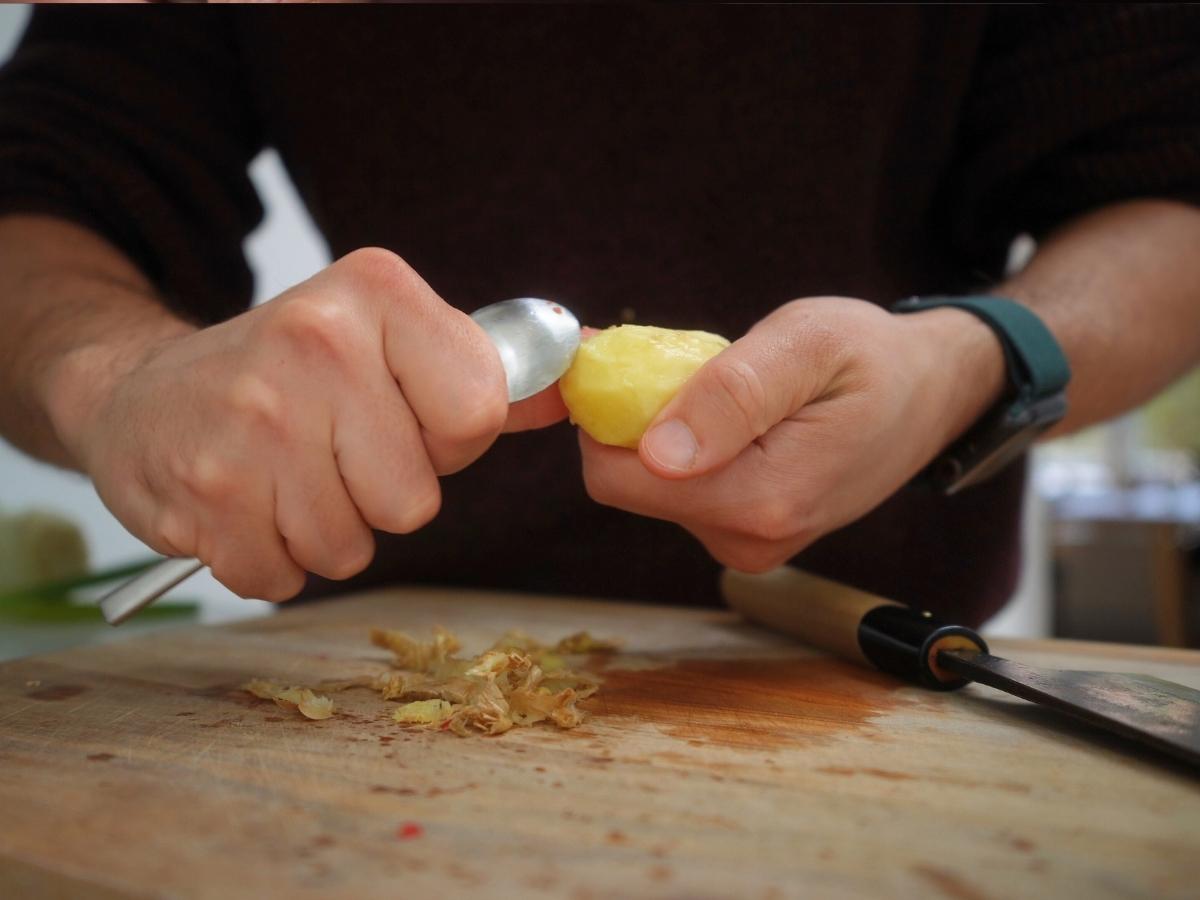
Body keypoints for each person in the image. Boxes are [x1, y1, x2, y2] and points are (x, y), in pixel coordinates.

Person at [0, 5, 1197, 626]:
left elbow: (1171, 191)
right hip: (376, 673)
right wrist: (114, 380)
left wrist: (974, 364)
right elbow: (44, 186)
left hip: (864, 647)